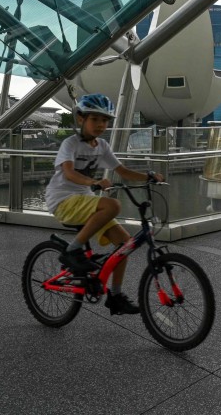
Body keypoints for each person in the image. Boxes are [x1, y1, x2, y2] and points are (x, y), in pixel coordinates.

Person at [44, 93, 162, 315]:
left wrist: (148, 176)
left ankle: (115, 296)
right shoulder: (70, 144)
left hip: (85, 199)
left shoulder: (103, 145)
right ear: (80, 119)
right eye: (94, 119)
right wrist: (94, 181)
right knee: (112, 205)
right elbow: (69, 173)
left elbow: (122, 171)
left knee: (125, 244)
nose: (100, 124)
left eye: (105, 120)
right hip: (62, 200)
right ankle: (72, 251)